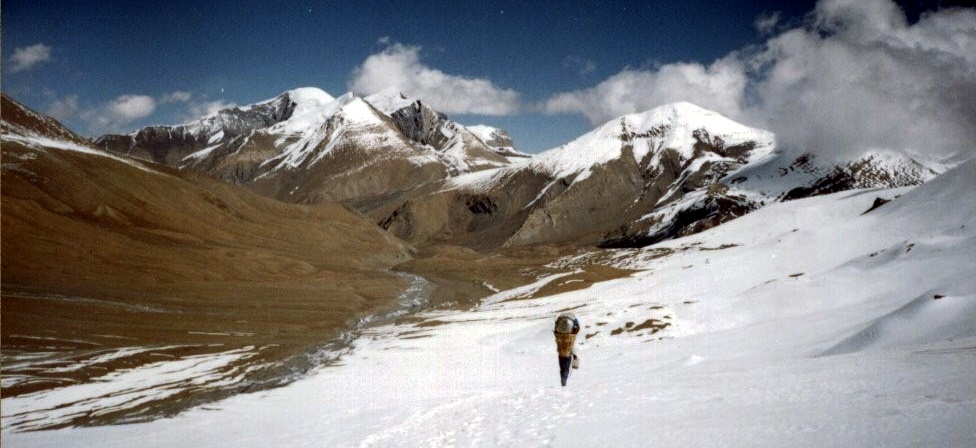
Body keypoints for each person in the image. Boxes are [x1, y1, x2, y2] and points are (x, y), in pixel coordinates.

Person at [553, 313, 580, 386]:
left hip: (561, 353)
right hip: (565, 354)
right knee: (565, 368)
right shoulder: (569, 342)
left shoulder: (561, 340)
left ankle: (563, 379)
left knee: (562, 368)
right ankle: (564, 380)